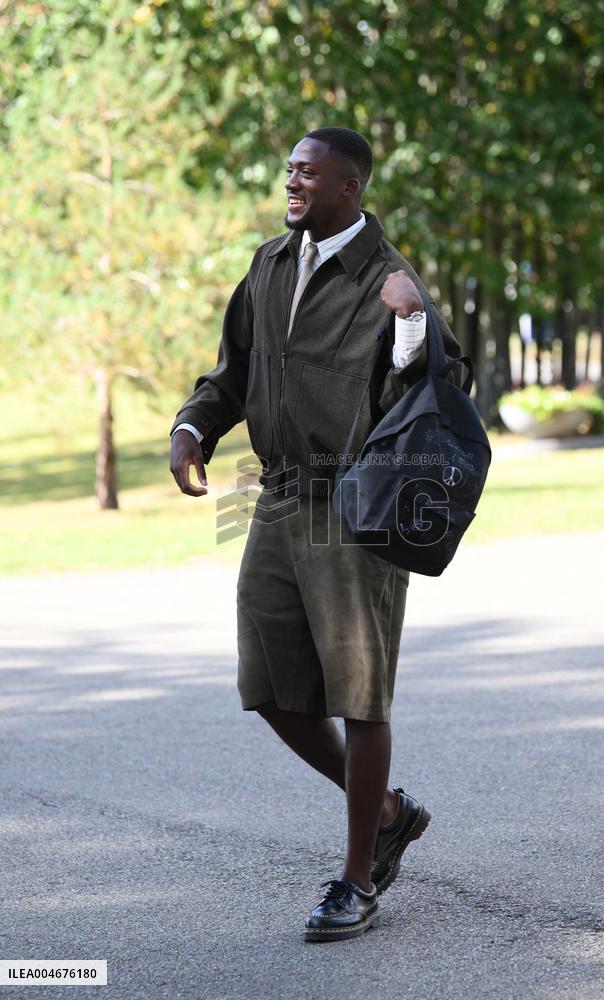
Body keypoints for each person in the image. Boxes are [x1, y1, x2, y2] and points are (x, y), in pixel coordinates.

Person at [169, 127, 462, 942]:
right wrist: (193, 426)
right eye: (290, 169)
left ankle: (359, 878)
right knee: (267, 686)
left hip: (357, 506)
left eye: (309, 171)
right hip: (275, 499)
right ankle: (392, 812)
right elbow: (230, 372)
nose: (292, 180)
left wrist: (409, 327)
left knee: (359, 696)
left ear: (351, 186)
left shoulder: (388, 278)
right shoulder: (269, 263)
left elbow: (442, 382)